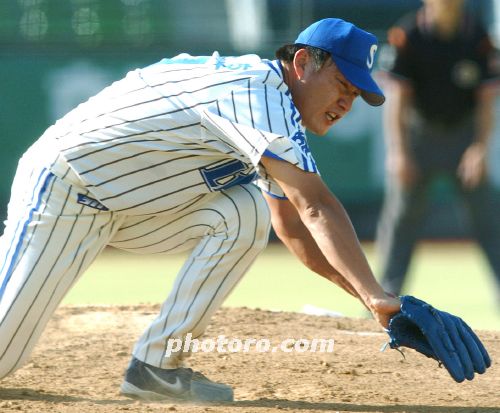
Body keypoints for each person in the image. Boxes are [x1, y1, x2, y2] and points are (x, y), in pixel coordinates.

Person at [0, 18, 400, 402]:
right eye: (342, 85)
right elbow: (314, 206)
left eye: (356, 94)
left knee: (245, 213)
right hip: (67, 193)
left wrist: (372, 302)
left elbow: (292, 227)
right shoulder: (255, 94)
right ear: (301, 64)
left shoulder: (275, 111)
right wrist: (375, 293)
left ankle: (155, 368)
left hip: (136, 206)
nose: (346, 102)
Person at [377, 0, 500, 299]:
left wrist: (479, 149)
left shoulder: (477, 36)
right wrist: (399, 151)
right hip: (420, 136)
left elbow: (486, 102)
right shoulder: (409, 34)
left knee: (488, 218)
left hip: (463, 136)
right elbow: (398, 101)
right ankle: (384, 297)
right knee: (402, 217)